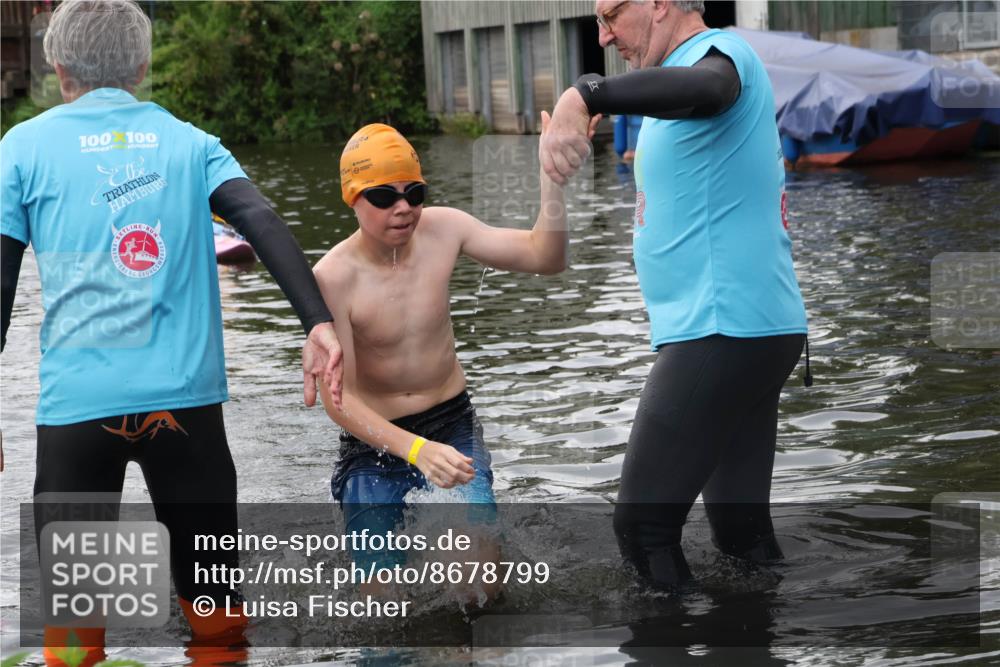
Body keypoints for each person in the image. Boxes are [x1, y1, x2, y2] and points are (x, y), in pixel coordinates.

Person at [0, 1, 343, 664]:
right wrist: (318, 322)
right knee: (219, 625)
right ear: (143, 65)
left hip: (76, 415)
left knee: (73, 640)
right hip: (185, 414)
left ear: (58, 65)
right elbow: (263, 221)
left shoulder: (20, 148)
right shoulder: (190, 142)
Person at [540, 0, 809, 589]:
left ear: (660, 3)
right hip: (749, 329)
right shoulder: (675, 77)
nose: (605, 37)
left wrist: (585, 93)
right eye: (597, 26)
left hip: (721, 330)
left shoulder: (721, 58)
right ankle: (759, 641)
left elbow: (712, 89)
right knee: (740, 537)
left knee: (642, 530)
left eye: (610, 17)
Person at [313, 121, 589, 597]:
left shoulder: (446, 229)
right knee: (383, 602)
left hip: (451, 423)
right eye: (384, 197)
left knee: (482, 581)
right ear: (353, 198)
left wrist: (552, 181)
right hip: (373, 447)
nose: (404, 208)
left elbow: (547, 258)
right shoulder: (333, 277)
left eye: (414, 193)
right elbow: (338, 401)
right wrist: (416, 451)